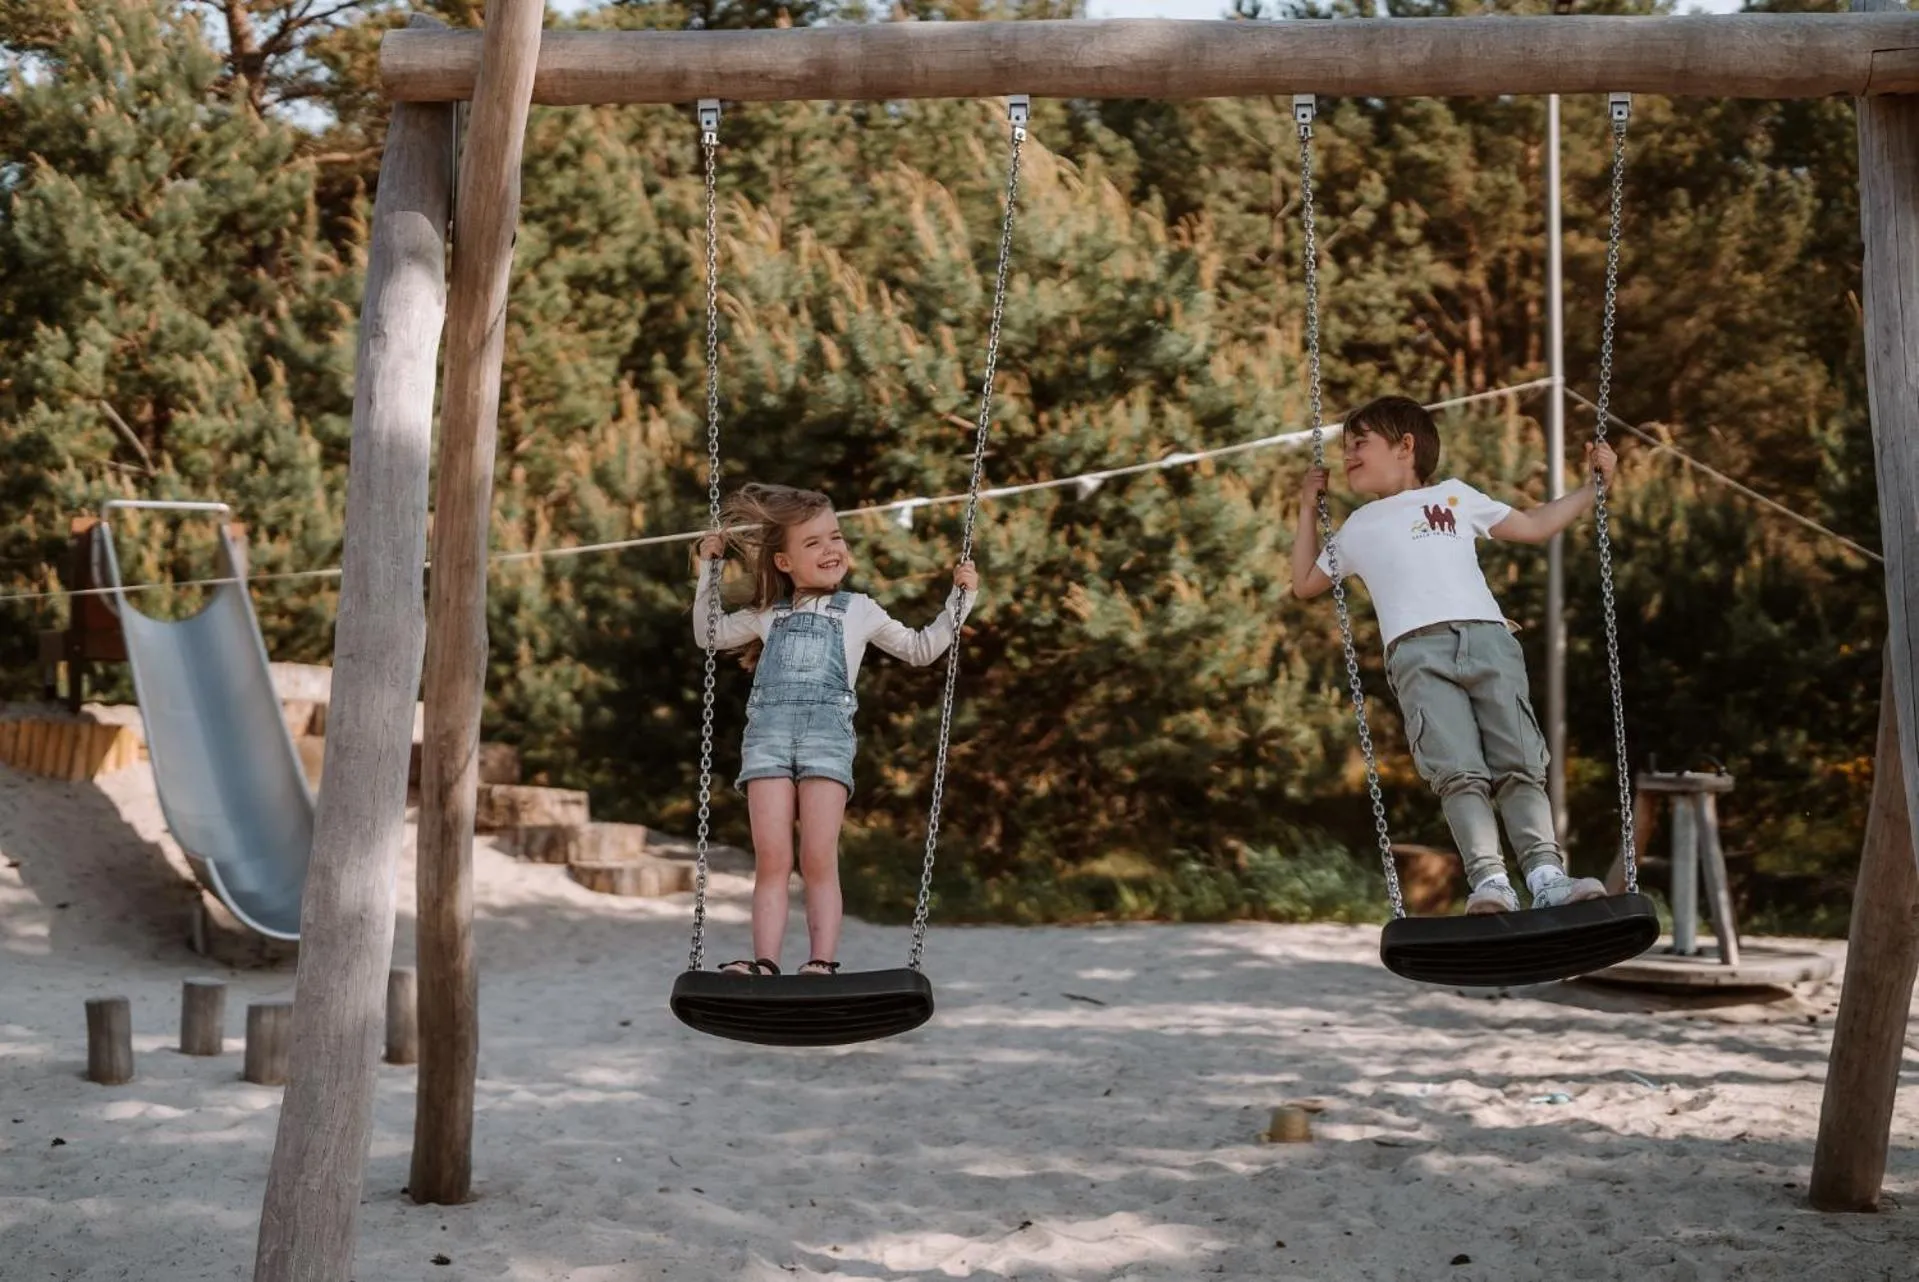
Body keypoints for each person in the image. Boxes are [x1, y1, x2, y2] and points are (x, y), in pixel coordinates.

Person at [1291, 395, 1617, 915]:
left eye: (1359, 444)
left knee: (1519, 762)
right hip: (1417, 655)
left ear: (1405, 446)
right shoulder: (1358, 528)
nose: (1347, 456)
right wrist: (1309, 508)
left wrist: (1593, 488)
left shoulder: (1455, 497)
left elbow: (1534, 527)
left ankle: (1546, 876)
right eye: (1346, 445)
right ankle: (1491, 883)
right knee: (1459, 772)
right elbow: (1306, 583)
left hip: (1488, 639)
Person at [693, 483, 980, 974]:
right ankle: (765, 962)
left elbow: (920, 649)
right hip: (767, 742)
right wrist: (710, 570)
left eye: (835, 537)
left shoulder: (860, 610)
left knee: (818, 857)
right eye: (813, 543)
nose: (831, 549)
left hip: (827, 741)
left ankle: (820, 963)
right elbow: (709, 634)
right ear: (784, 563)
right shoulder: (769, 615)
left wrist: (962, 598)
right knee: (773, 859)